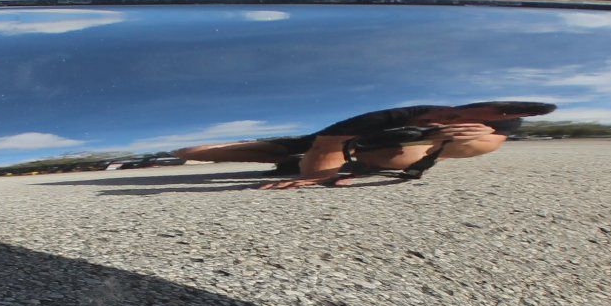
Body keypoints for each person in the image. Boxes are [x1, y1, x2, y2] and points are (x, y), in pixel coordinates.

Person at [174, 101, 555, 188]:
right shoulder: (391, 115)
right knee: (189, 153)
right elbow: (326, 145)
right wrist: (313, 176)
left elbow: (494, 139)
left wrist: (474, 136)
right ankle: (277, 157)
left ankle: (292, 163)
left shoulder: (497, 122)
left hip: (376, 152)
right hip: (318, 141)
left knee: (409, 150)